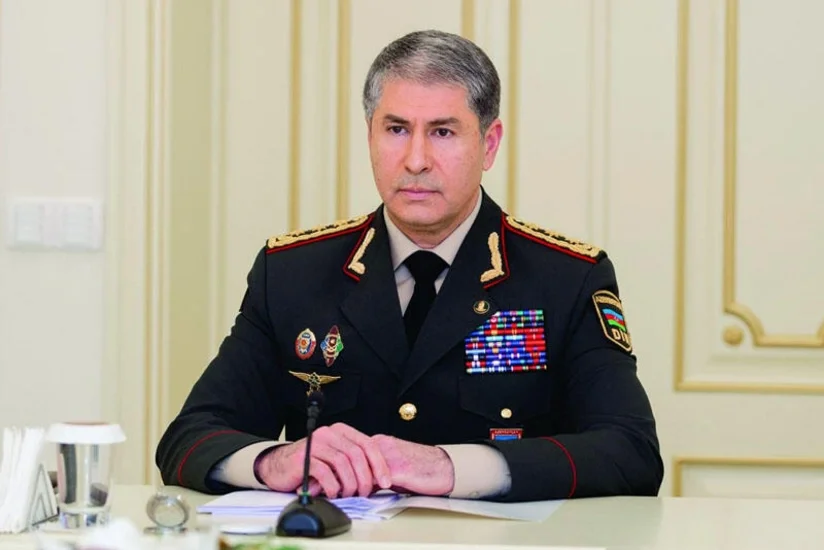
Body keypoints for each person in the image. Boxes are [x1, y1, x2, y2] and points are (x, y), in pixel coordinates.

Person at [156, 29, 663, 502]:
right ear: (370, 137)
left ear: (488, 144)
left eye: (442, 132)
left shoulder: (566, 277)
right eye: (396, 129)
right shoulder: (292, 273)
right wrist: (274, 461)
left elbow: (631, 452)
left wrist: (452, 467)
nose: (416, 159)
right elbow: (189, 437)